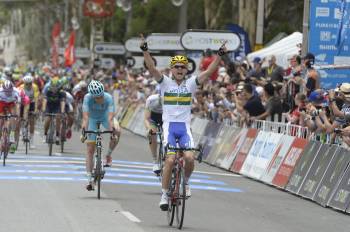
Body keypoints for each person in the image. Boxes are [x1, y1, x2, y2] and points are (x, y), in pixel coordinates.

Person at [140, 34, 228, 211]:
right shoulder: (164, 82)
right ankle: (164, 195)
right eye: (177, 66)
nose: (180, 69)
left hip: (184, 128)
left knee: (189, 158)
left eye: (183, 67)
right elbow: (151, 67)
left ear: (187, 69)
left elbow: (209, 72)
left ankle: (186, 182)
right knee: (171, 160)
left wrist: (219, 55)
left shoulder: (191, 84)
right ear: (171, 69)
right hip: (169, 127)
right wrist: (145, 51)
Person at [80, 80, 121, 191]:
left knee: (117, 130)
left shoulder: (108, 97)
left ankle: (108, 155)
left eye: (100, 96)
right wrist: (84, 129)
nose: (99, 99)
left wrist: (112, 130)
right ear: (92, 96)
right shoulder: (87, 98)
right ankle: (89, 179)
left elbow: (110, 117)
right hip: (93, 119)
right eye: (96, 98)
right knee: (90, 149)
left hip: (105, 117)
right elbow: (86, 117)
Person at [42, 77, 66, 144]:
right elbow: (45, 100)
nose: (54, 88)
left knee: (58, 117)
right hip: (49, 106)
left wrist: (62, 111)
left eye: (56, 87)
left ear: (58, 87)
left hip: (57, 106)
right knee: (47, 119)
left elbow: (62, 102)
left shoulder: (62, 93)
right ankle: (45, 134)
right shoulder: (48, 91)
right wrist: (44, 110)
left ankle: (57, 135)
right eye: (53, 87)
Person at [18, 74, 39, 148]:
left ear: (32, 83)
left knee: (32, 121)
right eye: (26, 83)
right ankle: (23, 129)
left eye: (30, 83)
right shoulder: (21, 87)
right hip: (22, 102)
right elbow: (18, 101)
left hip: (31, 102)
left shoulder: (35, 87)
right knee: (20, 118)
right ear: (24, 83)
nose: (28, 85)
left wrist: (35, 110)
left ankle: (32, 141)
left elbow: (36, 100)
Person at [144, 94, 163, 174]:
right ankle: (155, 160)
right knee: (152, 134)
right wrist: (149, 129)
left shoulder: (171, 99)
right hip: (153, 117)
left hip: (165, 117)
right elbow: (146, 118)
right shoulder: (151, 99)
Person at [0, 80, 21, 153]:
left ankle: (12, 134)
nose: (8, 92)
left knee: (13, 117)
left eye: (9, 91)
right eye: (6, 91)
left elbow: (18, 105)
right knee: (1, 119)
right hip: (2, 103)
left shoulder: (16, 91)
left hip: (11, 104)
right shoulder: (0, 91)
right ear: (3, 89)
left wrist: (17, 115)